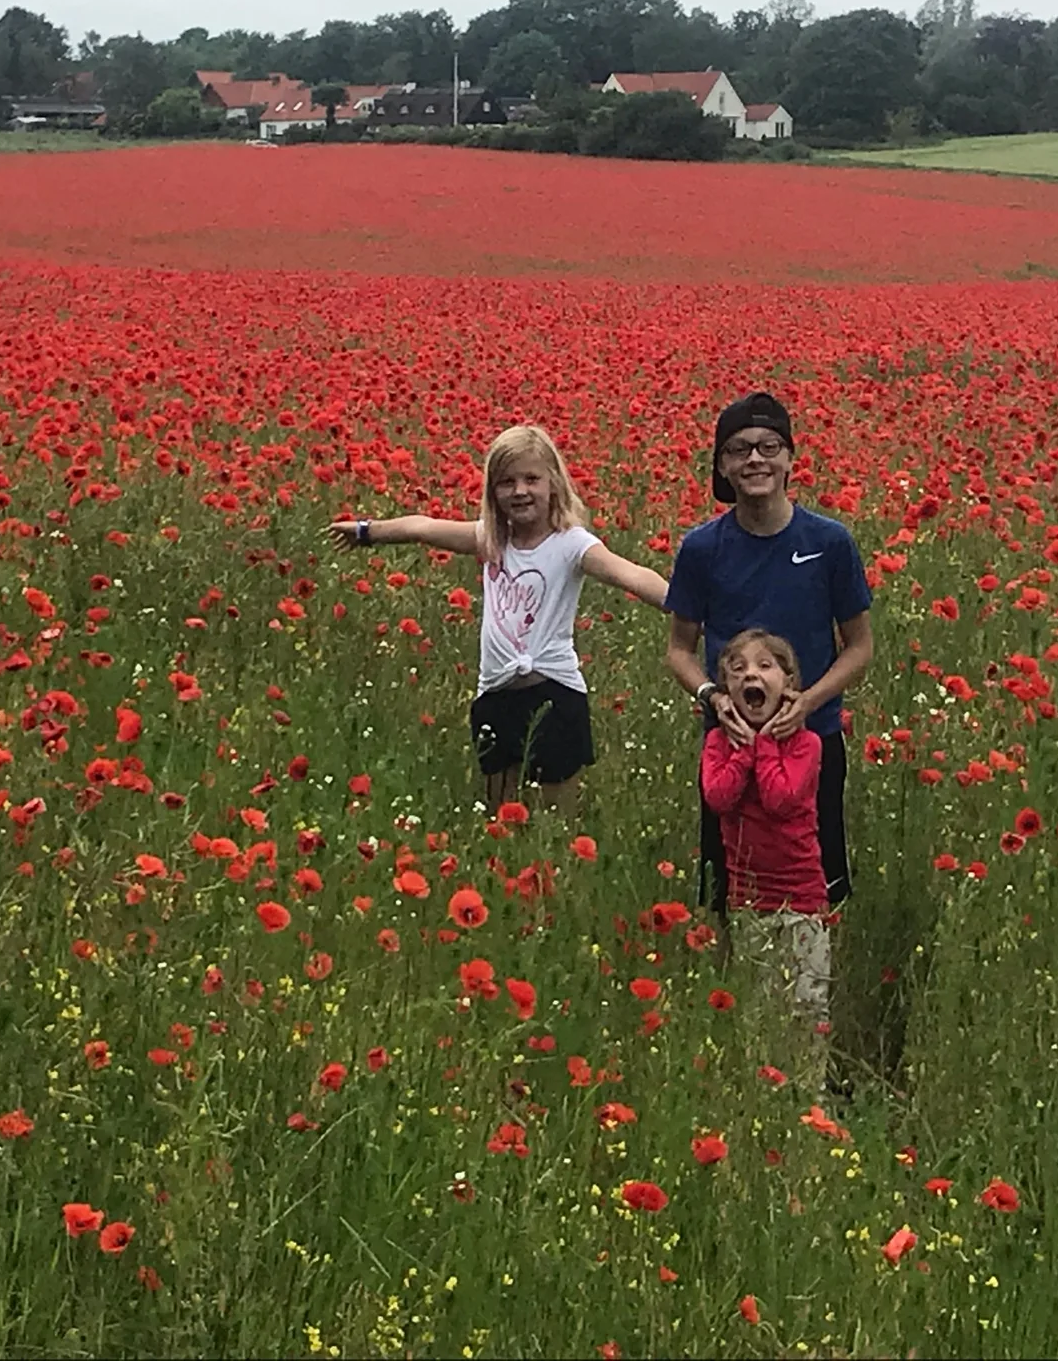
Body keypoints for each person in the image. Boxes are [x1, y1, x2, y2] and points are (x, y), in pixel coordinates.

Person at [331, 423, 666, 810]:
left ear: (553, 483)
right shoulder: (492, 540)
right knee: (500, 818)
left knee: (553, 821)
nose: (520, 491)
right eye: (507, 482)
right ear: (493, 491)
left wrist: (686, 604)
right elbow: (422, 527)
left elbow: (630, 574)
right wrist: (366, 531)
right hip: (494, 695)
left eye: (531, 479)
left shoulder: (571, 544)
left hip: (554, 694)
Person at [665, 391, 872, 914]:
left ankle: (815, 990)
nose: (755, 459)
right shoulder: (702, 548)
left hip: (812, 740)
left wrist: (808, 701)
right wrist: (714, 698)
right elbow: (679, 650)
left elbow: (860, 647)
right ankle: (732, 986)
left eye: (768, 446)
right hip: (729, 744)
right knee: (726, 883)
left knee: (818, 880)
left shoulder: (830, 542)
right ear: (722, 467)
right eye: (739, 449)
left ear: (790, 460)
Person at [698, 628, 830, 1078]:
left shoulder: (807, 745)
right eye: (738, 670)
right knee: (758, 1006)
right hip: (749, 900)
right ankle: (763, 1093)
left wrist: (764, 744)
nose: (751, 674)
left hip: (802, 901)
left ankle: (808, 1094)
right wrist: (743, 752)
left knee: (806, 1008)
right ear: (727, 692)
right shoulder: (718, 744)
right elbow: (719, 797)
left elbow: (779, 798)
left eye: (765, 666)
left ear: (789, 685)